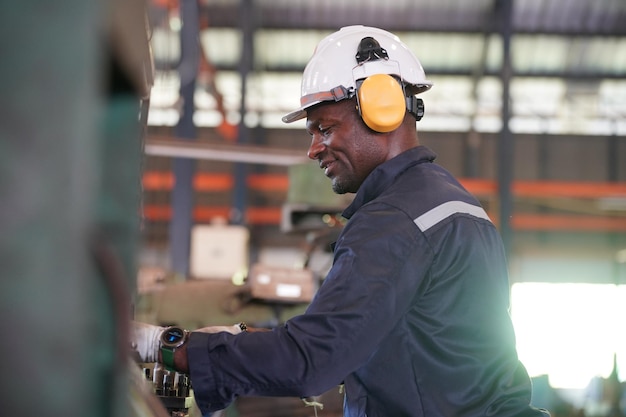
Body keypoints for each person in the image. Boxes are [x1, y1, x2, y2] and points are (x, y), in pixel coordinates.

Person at [133, 25, 550, 417]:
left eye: (324, 129)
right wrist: (246, 341)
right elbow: (402, 345)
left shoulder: (394, 221)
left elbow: (312, 361)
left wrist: (166, 345)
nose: (314, 149)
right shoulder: (456, 205)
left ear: (381, 108)